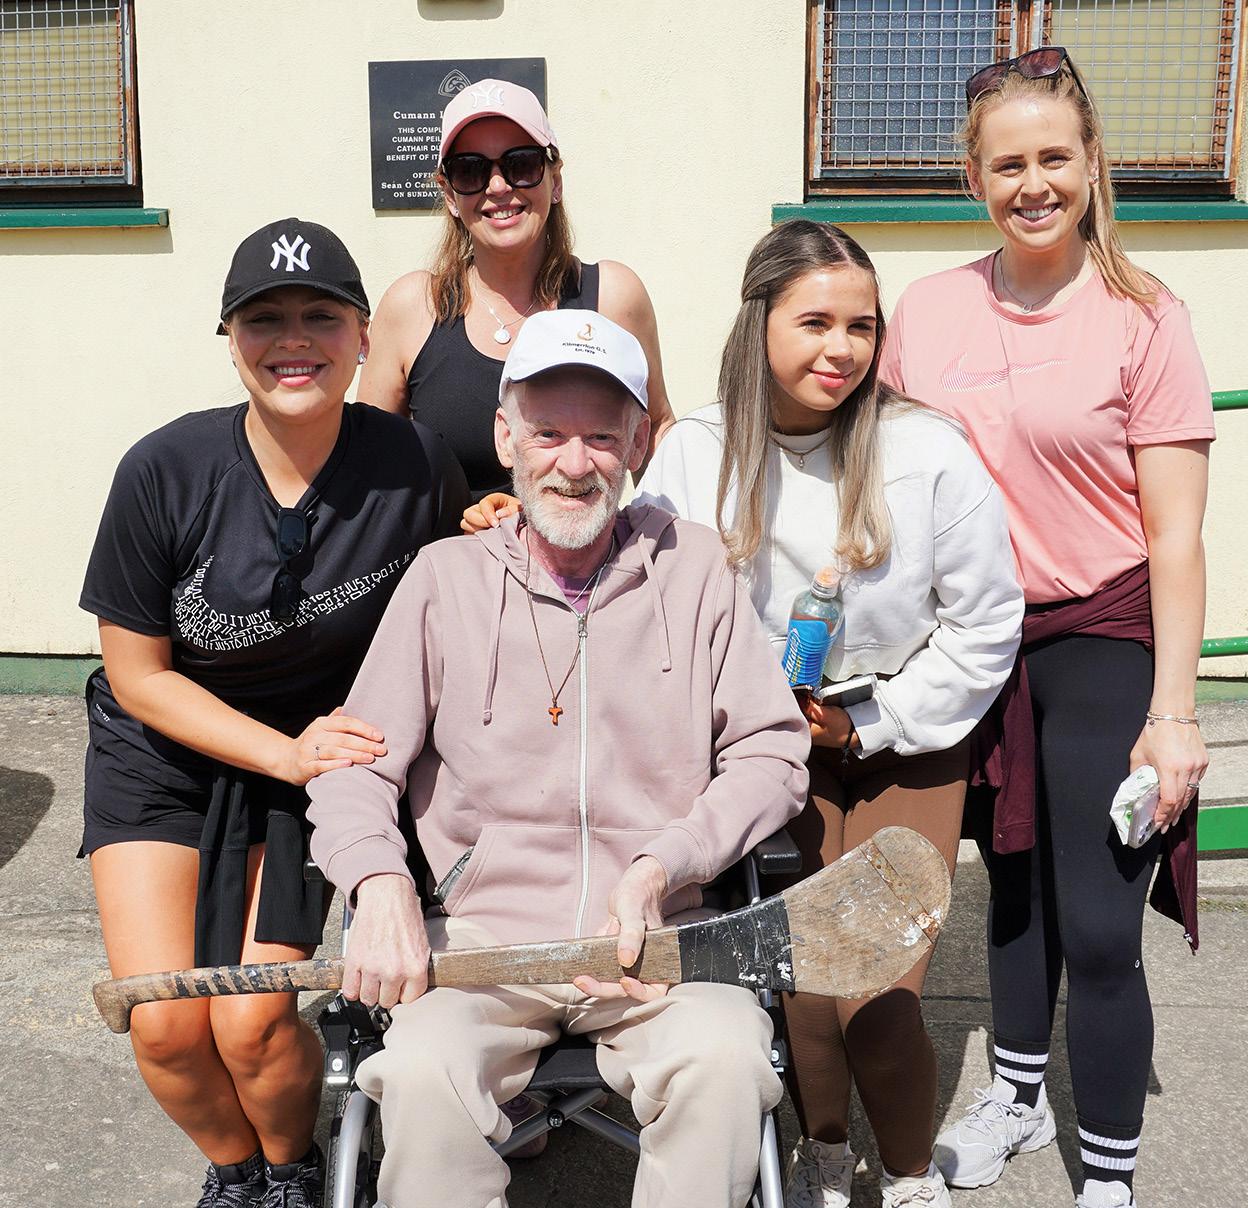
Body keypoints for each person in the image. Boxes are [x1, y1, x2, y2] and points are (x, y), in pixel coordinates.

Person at [306, 309, 810, 1208]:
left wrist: (665, 865)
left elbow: (771, 752)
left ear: (638, 444)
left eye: (602, 437)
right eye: (548, 434)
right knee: (417, 1071)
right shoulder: (443, 580)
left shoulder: (697, 571)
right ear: (506, 437)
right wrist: (377, 883)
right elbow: (356, 763)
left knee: (730, 1058)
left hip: (658, 945)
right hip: (482, 948)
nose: (574, 465)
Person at [877, 48, 1214, 1208]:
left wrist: (1174, 713)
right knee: (1012, 894)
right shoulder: (927, 312)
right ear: (972, 176)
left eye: (1053, 158)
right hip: (974, 647)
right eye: (1007, 163)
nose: (1033, 183)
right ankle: (1017, 1096)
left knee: (1103, 926)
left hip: (1102, 642)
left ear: (1090, 163)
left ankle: (1106, 1174)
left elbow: (1175, 534)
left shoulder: (1144, 317)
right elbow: (883, 477)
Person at [79, 217, 468, 1208]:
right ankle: (235, 1172)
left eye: (320, 316)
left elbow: (461, 585)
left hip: (313, 761)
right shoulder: (163, 470)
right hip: (161, 757)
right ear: (229, 338)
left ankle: (294, 1168)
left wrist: (491, 515)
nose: (293, 340)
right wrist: (284, 753)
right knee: (164, 1020)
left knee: (251, 1020)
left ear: (362, 336)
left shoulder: (413, 462)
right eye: (264, 318)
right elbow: (137, 676)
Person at [635, 219, 1024, 1208]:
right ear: (758, 320)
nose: (841, 348)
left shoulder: (925, 448)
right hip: (765, 747)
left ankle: (908, 1178)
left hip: (901, 734)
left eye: (862, 325)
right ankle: (819, 1158)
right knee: (805, 987)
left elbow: (985, 622)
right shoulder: (694, 455)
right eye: (815, 322)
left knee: (878, 991)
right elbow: (647, 607)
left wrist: (873, 720)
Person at [359, 78, 675, 515]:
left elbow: (655, 431)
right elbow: (370, 464)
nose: (497, 186)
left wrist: (660, 537)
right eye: (470, 170)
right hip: (449, 556)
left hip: (584, 555)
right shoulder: (413, 307)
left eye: (520, 164)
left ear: (555, 180)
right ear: (449, 194)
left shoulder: (613, 297)